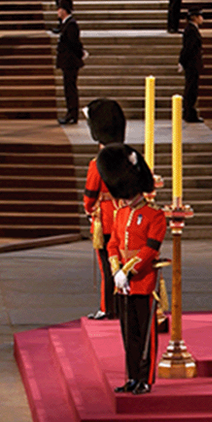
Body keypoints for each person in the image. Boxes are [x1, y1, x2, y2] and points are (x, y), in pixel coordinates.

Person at [99, 143, 166, 396]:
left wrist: (128, 271)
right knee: (128, 335)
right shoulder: (121, 213)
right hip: (123, 284)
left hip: (143, 281)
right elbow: (113, 244)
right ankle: (131, 377)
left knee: (145, 335)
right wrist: (116, 271)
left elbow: (150, 249)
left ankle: (145, 379)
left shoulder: (154, 215)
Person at [83, 99, 126, 321]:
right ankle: (122, 304)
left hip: (106, 220)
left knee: (107, 266)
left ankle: (107, 307)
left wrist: (90, 210)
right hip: (126, 216)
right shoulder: (128, 158)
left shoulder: (97, 163)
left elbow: (89, 197)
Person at [55, 0, 83, 125]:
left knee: (70, 88)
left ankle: (72, 114)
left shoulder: (71, 25)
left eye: (59, 9)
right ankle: (70, 113)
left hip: (70, 62)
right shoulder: (66, 24)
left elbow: (74, 44)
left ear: (64, 10)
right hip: (67, 62)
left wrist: (80, 54)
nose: (57, 11)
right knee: (68, 88)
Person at [179, 7, 205, 122]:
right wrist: (182, 61)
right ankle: (189, 113)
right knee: (191, 89)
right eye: (200, 16)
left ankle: (190, 112)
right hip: (191, 64)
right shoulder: (190, 30)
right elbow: (188, 48)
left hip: (193, 63)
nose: (202, 18)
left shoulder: (192, 29)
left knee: (192, 89)